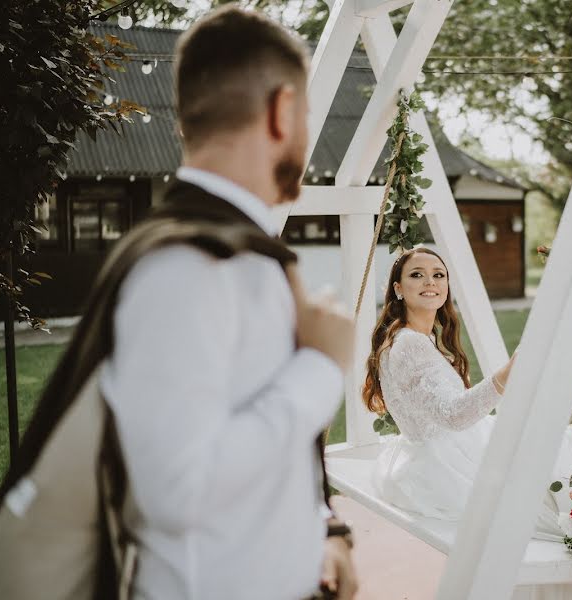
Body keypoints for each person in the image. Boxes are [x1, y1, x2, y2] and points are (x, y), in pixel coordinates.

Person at [100, 7, 357, 599]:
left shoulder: (237, 255)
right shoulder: (186, 268)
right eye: (307, 114)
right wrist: (320, 366)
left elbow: (249, 426)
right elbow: (178, 491)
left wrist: (325, 529)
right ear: (282, 110)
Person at [363, 247, 572, 599]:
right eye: (417, 274)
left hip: (450, 448)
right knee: (561, 468)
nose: (430, 281)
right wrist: (506, 375)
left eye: (439, 274)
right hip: (447, 464)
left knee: (563, 452)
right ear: (398, 288)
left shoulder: (415, 337)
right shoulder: (410, 344)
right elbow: (454, 415)